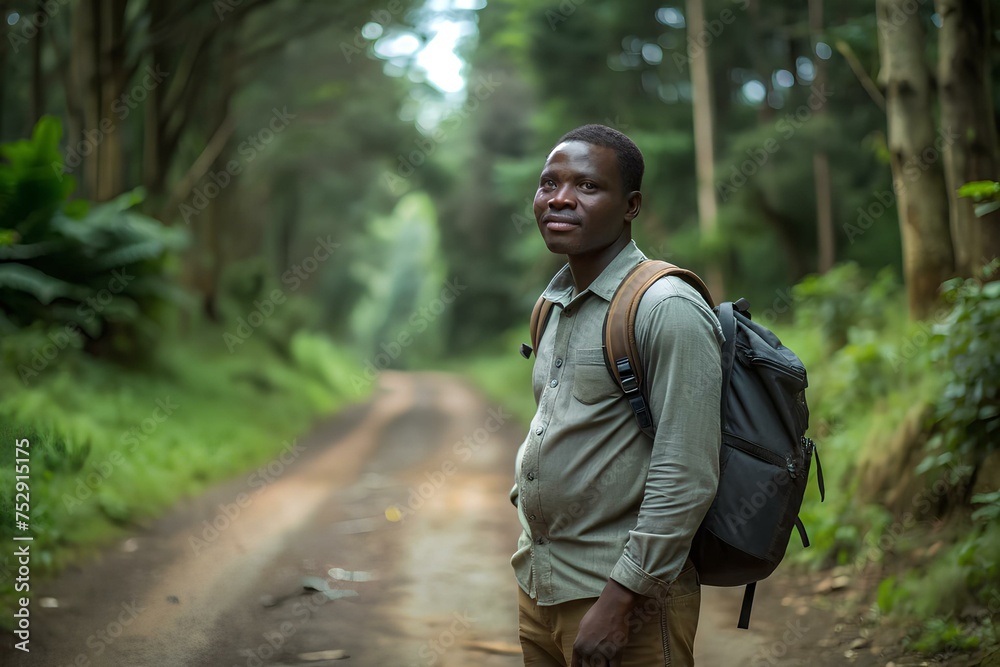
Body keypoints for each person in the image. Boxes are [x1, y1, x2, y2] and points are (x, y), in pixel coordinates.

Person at [510, 124, 724, 667]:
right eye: (548, 183)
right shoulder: (554, 304)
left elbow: (687, 470)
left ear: (630, 206)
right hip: (541, 592)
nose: (559, 198)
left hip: (622, 602)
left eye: (586, 187)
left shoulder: (665, 306)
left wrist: (622, 598)